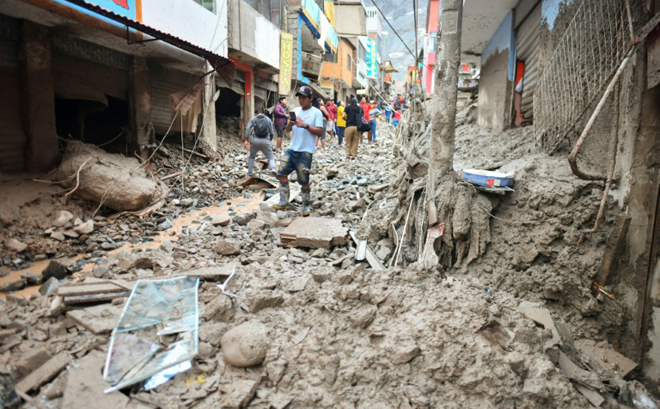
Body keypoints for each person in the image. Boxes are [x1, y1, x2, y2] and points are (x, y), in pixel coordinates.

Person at [273, 85, 324, 216]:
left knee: (304, 180)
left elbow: (319, 131)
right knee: (281, 173)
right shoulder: (295, 110)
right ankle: (284, 201)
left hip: (305, 152)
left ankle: (305, 206)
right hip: (292, 149)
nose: (301, 100)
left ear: (311, 98)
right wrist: (290, 124)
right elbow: (287, 131)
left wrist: (305, 125)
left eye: (304, 98)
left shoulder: (316, 112)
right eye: (300, 98)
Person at [244, 108, 276, 177]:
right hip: (266, 141)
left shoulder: (253, 119)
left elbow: (247, 128)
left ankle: (250, 172)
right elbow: (272, 132)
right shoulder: (268, 119)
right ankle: (273, 169)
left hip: (255, 141)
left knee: (252, 157)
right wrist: (269, 140)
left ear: (256, 113)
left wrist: (246, 140)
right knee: (270, 158)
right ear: (263, 113)